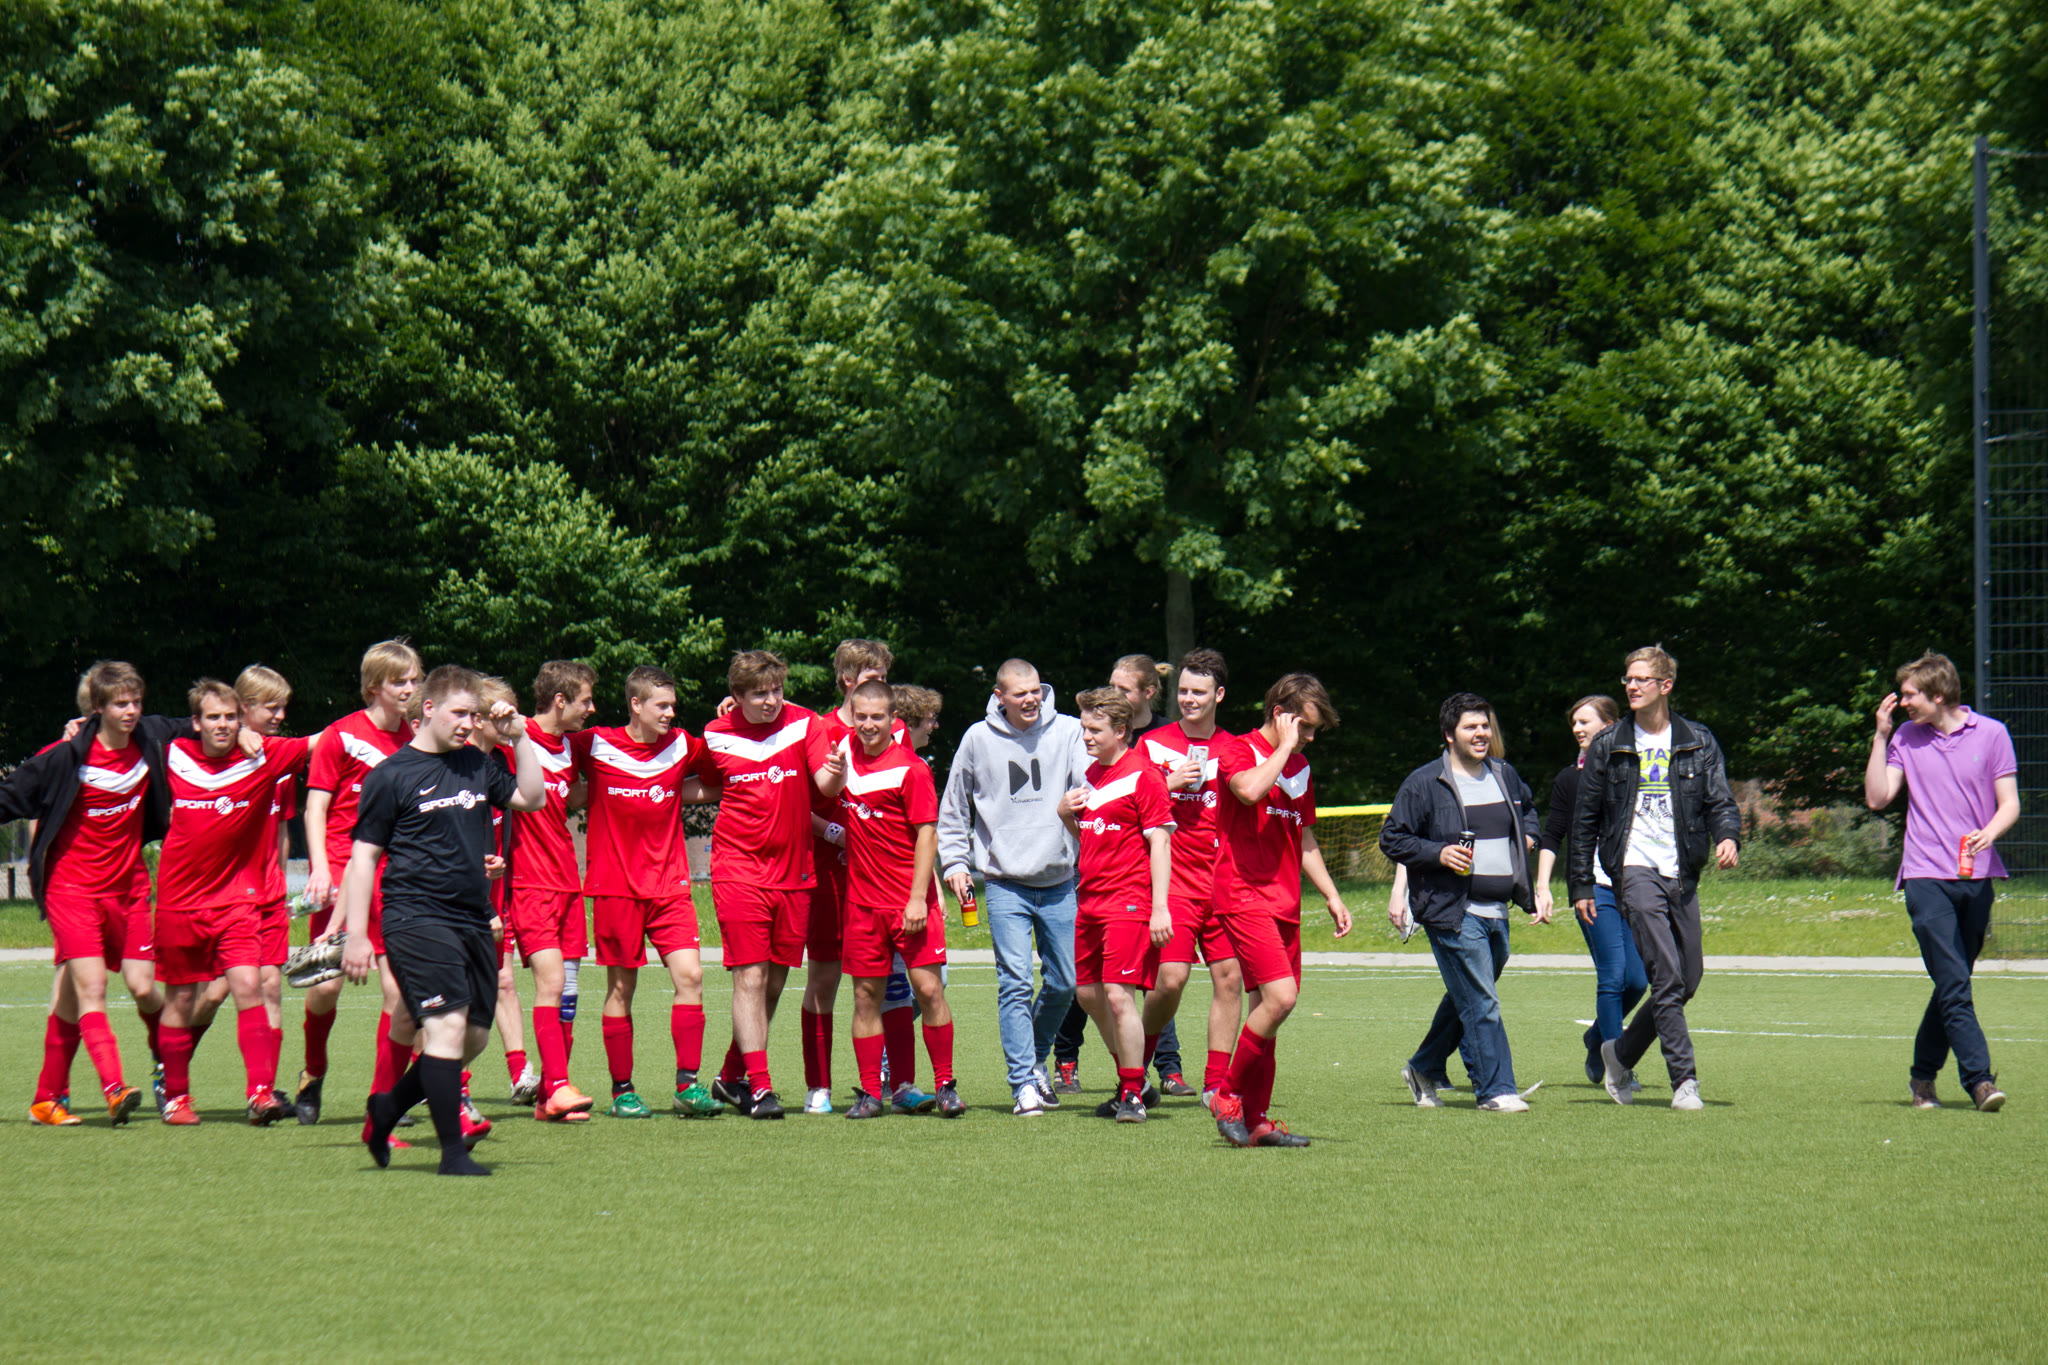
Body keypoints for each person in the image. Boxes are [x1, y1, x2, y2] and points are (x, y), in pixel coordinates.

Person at [348, 664, 545, 1175]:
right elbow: (363, 858)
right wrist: (355, 935)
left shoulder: (475, 764)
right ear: (429, 708)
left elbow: (532, 797)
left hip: (473, 920)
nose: (468, 723)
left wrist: (521, 737)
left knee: (473, 1037)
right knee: (447, 1027)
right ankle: (453, 1155)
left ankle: (388, 1107)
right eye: (459, 713)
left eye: (474, 715)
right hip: (415, 917)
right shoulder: (390, 775)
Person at [1, 662, 191, 1125]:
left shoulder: (150, 737)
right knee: (91, 988)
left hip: (129, 888)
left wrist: (245, 728)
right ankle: (114, 1089)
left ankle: (49, 1097)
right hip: (72, 890)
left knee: (141, 987)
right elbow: (8, 796)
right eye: (121, 703)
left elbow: (202, 721)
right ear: (98, 709)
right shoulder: (64, 756)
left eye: (136, 702)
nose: (131, 711)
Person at [1569, 645, 1742, 1111]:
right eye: (1627, 678)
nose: (1631, 686)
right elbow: (1585, 820)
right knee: (1665, 975)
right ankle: (1684, 1080)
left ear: (1665, 685)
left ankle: (1621, 1053)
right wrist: (1581, 883)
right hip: (1632, 867)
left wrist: (1728, 836)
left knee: (1688, 978)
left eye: (1641, 679)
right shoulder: (1609, 743)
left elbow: (1720, 801)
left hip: (1681, 869)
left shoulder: (1698, 740)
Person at [1864, 651, 2018, 1111]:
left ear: (1937, 694)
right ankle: (1980, 1081)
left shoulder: (1992, 734)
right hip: (1924, 875)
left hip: (1977, 876)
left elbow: (2009, 803)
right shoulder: (1905, 737)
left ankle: (1922, 1078)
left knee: (1952, 981)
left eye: (1909, 694)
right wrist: (1880, 736)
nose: (1902, 702)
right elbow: (1878, 797)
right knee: (1954, 982)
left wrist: (1988, 834)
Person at [152, 678, 311, 1124]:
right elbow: (127, 732)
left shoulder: (270, 756)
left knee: (253, 985)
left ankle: (261, 1093)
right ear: (197, 722)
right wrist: (82, 726)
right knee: (184, 999)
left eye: (229, 717)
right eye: (214, 717)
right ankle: (174, 1092)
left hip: (242, 898)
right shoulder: (172, 755)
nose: (222, 724)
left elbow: (332, 740)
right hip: (180, 902)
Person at [695, 650, 845, 1121]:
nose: (771, 700)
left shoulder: (804, 724)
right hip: (738, 870)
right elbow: (703, 783)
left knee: (775, 983)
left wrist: (837, 775)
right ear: (736, 696)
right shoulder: (716, 734)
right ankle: (761, 1088)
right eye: (759, 693)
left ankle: (730, 1076)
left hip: (795, 874)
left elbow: (824, 785)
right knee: (751, 977)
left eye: (777, 690)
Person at [1381, 693, 1549, 1114]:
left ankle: (1423, 1068)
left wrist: (1528, 836)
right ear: (1449, 734)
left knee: (1469, 996)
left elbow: (1529, 811)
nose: (1481, 733)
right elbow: (1393, 838)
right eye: (1470, 727)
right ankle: (1495, 1090)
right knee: (1481, 1000)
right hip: (1451, 910)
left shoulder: (1505, 774)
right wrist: (1438, 853)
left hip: (1498, 909)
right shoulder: (1424, 782)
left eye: (1485, 725)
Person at [938, 658, 1090, 1116]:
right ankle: (1023, 1082)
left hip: (1061, 878)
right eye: (1019, 692)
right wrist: (955, 862)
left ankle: (1037, 1060)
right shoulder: (977, 738)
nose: (1030, 699)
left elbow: (1092, 789)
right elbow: (954, 807)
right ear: (999, 695)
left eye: (1035, 691)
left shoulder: (1069, 731)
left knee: (1066, 983)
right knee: (1016, 983)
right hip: (1005, 882)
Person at [1209, 674, 1354, 1148]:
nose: (1309, 737)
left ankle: (1256, 1122)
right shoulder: (1235, 749)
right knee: (1281, 999)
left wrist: (1332, 895)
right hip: (1242, 893)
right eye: (1304, 726)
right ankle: (1226, 1096)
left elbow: (1304, 836)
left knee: (1269, 1012)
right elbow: (1249, 791)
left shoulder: (1300, 766)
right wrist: (1285, 747)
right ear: (1280, 714)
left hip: (1284, 903)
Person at [576, 665, 718, 1119]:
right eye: (662, 705)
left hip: (670, 885)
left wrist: (728, 719)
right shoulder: (594, 743)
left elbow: (721, 773)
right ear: (635, 705)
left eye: (673, 705)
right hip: (615, 888)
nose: (671, 713)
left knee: (691, 978)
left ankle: (687, 1086)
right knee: (621, 987)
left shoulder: (683, 745)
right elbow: (549, 753)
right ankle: (623, 1091)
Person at [297, 637, 424, 1126]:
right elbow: (315, 808)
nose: (408, 689)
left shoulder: (417, 737)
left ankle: (383, 1097)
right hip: (342, 869)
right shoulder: (340, 735)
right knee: (326, 987)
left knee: (398, 994)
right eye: (398, 682)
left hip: (396, 877)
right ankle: (313, 1071)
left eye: (414, 680)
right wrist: (320, 867)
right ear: (373, 687)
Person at [1051, 653, 1188, 1095]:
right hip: (1090, 899)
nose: (1086, 737)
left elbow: (1161, 843)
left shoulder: (1145, 776)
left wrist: (1160, 908)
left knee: (1116, 994)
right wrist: (1066, 816)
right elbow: (1091, 837)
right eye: (1084, 729)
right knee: (1088, 994)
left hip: (1127, 900)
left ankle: (1130, 1091)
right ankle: (1135, 1078)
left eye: (1095, 730)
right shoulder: (1093, 775)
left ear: (1121, 731)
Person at [837, 680, 963, 1119]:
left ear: (894, 720)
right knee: (865, 996)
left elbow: (927, 834)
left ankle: (945, 1086)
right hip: (862, 906)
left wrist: (917, 899)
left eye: (878, 717)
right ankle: (871, 1093)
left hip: (910, 904)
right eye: (861, 716)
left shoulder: (912, 768)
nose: (868, 724)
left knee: (928, 990)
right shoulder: (842, 757)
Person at [1138, 649, 1245, 1107]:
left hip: (1223, 885)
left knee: (1230, 979)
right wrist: (1169, 784)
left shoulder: (1236, 748)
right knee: (1170, 980)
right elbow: (1129, 803)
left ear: (1218, 695)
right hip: (1175, 884)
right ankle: (1134, 1071)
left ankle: (1216, 1084)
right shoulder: (1153, 744)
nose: (1188, 699)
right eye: (1183, 690)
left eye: (1198, 692)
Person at [1535, 694, 1647, 1088]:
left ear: (1610, 725)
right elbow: (1553, 835)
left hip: (1633, 887)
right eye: (1574, 723)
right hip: (1593, 888)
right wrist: (1542, 886)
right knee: (1613, 976)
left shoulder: (1635, 770)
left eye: (1585, 721)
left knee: (1637, 982)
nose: (1577, 729)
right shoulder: (1570, 779)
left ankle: (1596, 1037)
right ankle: (1618, 1063)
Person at [507, 660, 600, 1121]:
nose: (592, 708)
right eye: (585, 700)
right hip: (528, 883)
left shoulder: (572, 746)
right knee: (549, 982)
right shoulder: (513, 735)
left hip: (567, 882)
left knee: (568, 993)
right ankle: (558, 1086)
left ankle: (549, 1095)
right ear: (560, 701)